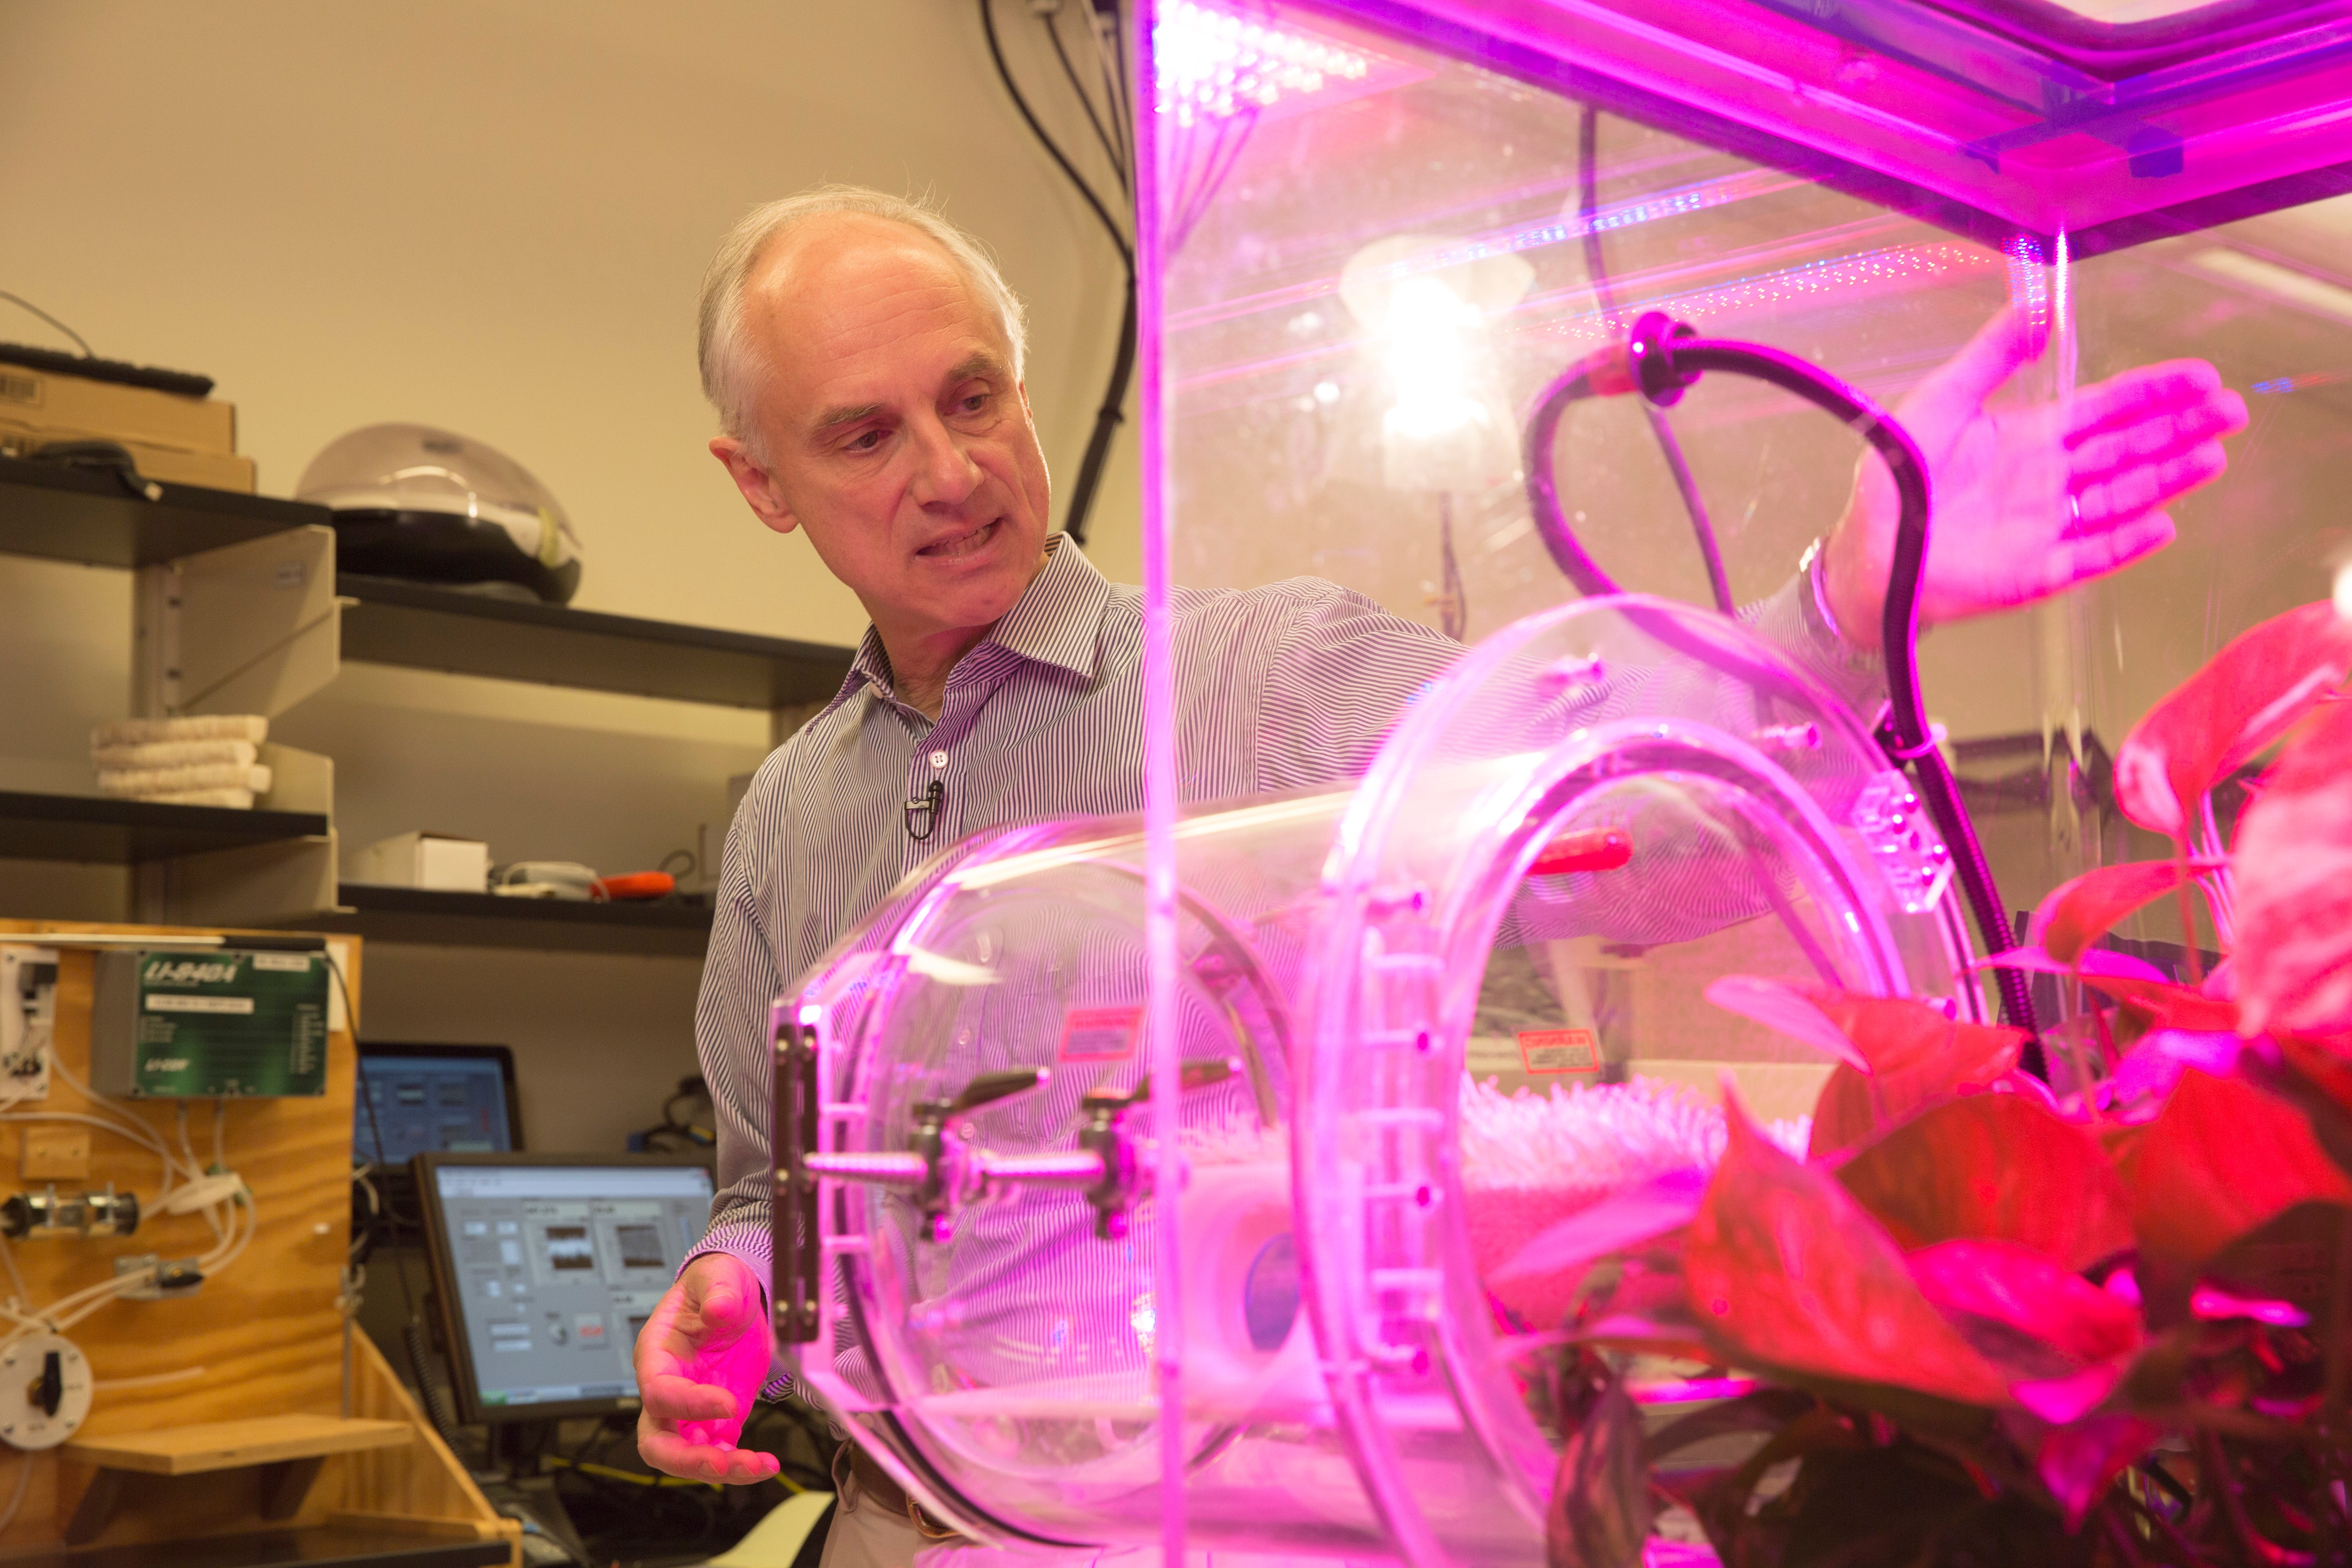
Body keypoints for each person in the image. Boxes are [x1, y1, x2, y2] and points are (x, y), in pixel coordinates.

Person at [633, 185, 2247, 1564]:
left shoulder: (1260, 680)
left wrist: (1833, 610)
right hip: (906, 1526)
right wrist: (723, 1293)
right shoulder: (784, 816)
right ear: (758, 481)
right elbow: (770, 1184)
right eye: (866, 433)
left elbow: (1589, 790)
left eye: (974, 398)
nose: (950, 467)